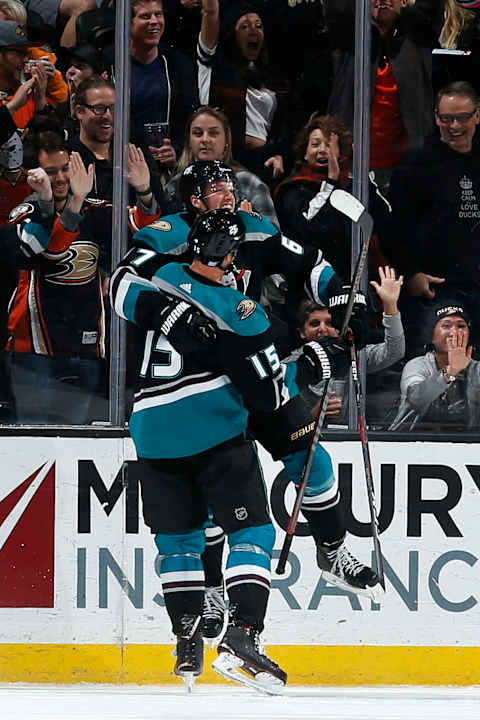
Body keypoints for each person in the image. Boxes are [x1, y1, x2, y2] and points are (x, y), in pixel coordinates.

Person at [110, 209, 289, 692]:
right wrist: (315, 362)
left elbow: (119, 285)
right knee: (251, 532)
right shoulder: (239, 309)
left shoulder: (161, 276)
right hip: (210, 426)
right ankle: (242, 637)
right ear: (231, 257)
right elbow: (269, 395)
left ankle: (186, 642)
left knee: (179, 542)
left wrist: (167, 311)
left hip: (150, 430)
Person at [5, 133, 161, 423]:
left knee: (77, 440)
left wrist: (145, 192)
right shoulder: (26, 213)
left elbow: (148, 234)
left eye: (66, 168)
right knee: (37, 443)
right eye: (51, 172)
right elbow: (48, 252)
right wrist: (75, 202)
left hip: (86, 347)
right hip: (36, 352)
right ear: (34, 175)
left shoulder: (97, 210)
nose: (62, 177)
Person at [384, 81, 480, 358]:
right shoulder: (416, 163)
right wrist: (411, 272)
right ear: (436, 117)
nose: (454, 126)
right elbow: (393, 227)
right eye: (446, 118)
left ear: (477, 115)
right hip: (436, 287)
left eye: (462, 117)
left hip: (476, 281)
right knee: (437, 368)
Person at [324, 0, 444, 192]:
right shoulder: (352, 39)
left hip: (406, 171)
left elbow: (432, 8)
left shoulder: (418, 36)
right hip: (352, 170)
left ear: (405, 2)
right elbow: (337, 9)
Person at [273, 112, 391, 281]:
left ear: (341, 151)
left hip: (363, 278)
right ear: (305, 153)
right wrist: (331, 182)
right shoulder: (292, 189)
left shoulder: (357, 184)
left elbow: (384, 222)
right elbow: (307, 228)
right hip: (315, 280)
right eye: (315, 144)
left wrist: (362, 177)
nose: (322, 150)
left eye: (329, 145)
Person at [287, 266, 405, 426]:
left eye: (329, 323)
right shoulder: (289, 365)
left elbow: (394, 351)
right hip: (307, 442)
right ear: (302, 332)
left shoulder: (354, 354)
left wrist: (390, 305)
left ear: (339, 325)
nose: (322, 329)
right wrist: (314, 414)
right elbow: (281, 424)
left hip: (351, 442)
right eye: (314, 323)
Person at [198, 0, 291, 184]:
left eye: (259, 26)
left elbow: (282, 128)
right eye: (244, 27)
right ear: (232, 34)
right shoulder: (214, 68)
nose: (254, 31)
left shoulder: (272, 77)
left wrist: (280, 156)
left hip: (264, 163)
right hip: (229, 161)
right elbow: (210, 12)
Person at [164, 105, 280, 227]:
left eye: (213, 133)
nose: (205, 139)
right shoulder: (175, 185)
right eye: (198, 133)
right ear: (189, 142)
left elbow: (274, 235)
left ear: (226, 142)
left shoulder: (248, 183)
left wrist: (249, 226)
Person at [69, 74, 165, 206]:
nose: (108, 116)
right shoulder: (67, 159)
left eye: (114, 108)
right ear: (79, 111)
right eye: (99, 109)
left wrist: (144, 191)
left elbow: (164, 215)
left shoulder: (135, 155)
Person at [130, 0, 199, 170]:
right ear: (128, 23)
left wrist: (176, 151)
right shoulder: (110, 64)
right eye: (145, 16)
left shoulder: (180, 66)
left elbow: (189, 119)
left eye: (158, 14)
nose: (154, 21)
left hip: (165, 169)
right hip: (122, 167)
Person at [389, 302, 480, 431]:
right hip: (410, 445)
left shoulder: (477, 370)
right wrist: (450, 372)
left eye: (461, 326)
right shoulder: (417, 365)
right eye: (446, 326)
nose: (454, 332)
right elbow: (416, 397)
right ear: (431, 335)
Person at [0, 20, 49, 223]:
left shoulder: (28, 96)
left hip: (25, 212)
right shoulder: (19, 99)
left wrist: (40, 101)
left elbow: (50, 149)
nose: (25, 60)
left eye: (27, 53)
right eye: (18, 52)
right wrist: (11, 108)